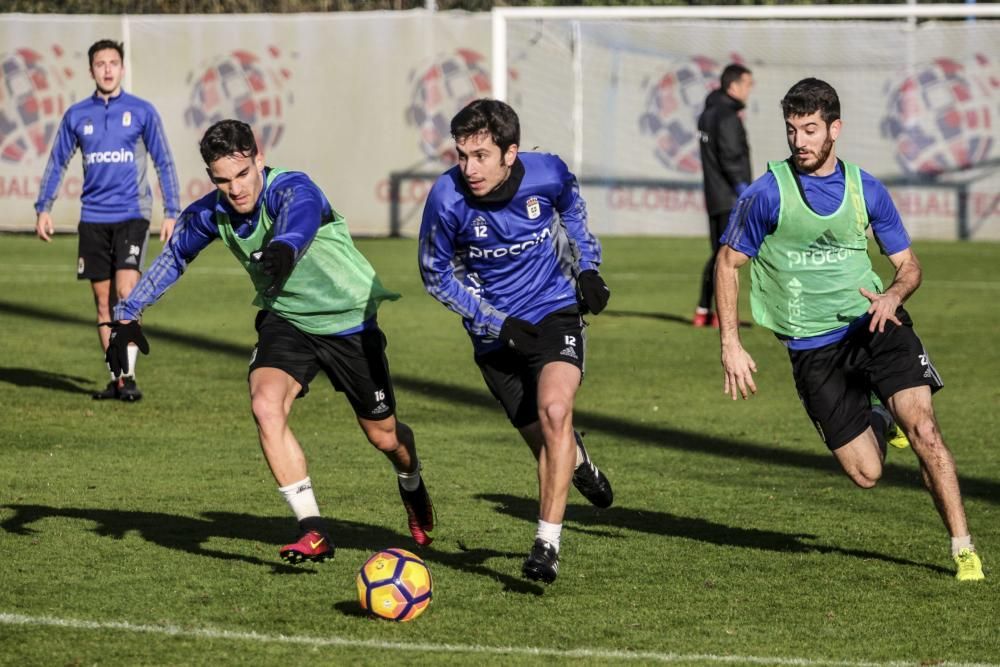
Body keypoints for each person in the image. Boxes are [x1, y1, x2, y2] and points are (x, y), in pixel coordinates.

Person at [105, 119, 434, 564]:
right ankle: (313, 528)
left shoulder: (292, 188)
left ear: (258, 159)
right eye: (222, 180)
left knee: (384, 436)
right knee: (265, 405)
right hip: (287, 319)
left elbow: (301, 215)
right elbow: (176, 255)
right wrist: (129, 313)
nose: (235, 188)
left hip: (349, 321)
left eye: (242, 174)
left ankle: (411, 480)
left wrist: (283, 248)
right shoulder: (213, 213)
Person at [715, 78, 984, 581]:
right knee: (867, 473)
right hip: (813, 348)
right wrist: (730, 342)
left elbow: (909, 266)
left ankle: (963, 548)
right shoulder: (767, 192)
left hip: (875, 323)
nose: (800, 142)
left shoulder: (866, 189)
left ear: (834, 129)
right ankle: (881, 415)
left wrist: (893, 295)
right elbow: (728, 263)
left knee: (925, 430)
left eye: (811, 129)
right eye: (793, 130)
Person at [419, 98, 614, 584]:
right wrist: (494, 322)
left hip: (554, 312)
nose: (468, 168)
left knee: (554, 411)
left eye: (480, 155)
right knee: (547, 444)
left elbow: (573, 209)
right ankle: (579, 459)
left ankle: (546, 545)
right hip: (494, 336)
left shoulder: (547, 173)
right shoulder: (446, 200)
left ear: (511, 152)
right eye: (462, 156)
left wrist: (588, 268)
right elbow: (435, 276)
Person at [34, 39, 180, 402]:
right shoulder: (76, 115)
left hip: (132, 215)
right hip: (93, 219)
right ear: (91, 70)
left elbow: (164, 161)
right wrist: (44, 207)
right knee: (103, 303)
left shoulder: (142, 111)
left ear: (122, 68)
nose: (108, 69)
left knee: (127, 296)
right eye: (100, 64)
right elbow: (57, 162)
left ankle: (129, 377)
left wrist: (172, 211)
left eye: (114, 62)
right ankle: (116, 377)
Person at [694, 63, 753, 328]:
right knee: (727, 256)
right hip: (730, 196)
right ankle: (720, 316)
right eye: (747, 84)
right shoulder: (727, 116)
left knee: (719, 253)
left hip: (715, 195)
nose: (749, 90)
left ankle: (703, 311)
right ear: (733, 86)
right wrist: (743, 188)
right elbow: (731, 157)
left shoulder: (708, 114)